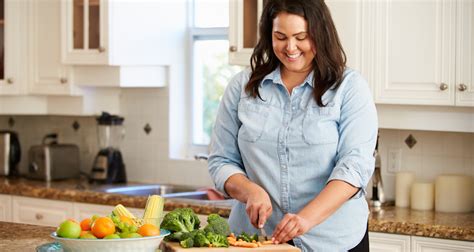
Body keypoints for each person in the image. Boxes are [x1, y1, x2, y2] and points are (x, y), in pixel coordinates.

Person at [208, 0, 377, 251]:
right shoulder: (242, 87)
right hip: (257, 240)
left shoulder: (349, 88)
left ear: (320, 34)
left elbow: (354, 168)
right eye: (280, 37)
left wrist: (305, 218)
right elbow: (221, 160)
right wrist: (249, 190)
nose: (290, 47)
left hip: (332, 241)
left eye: (301, 37)